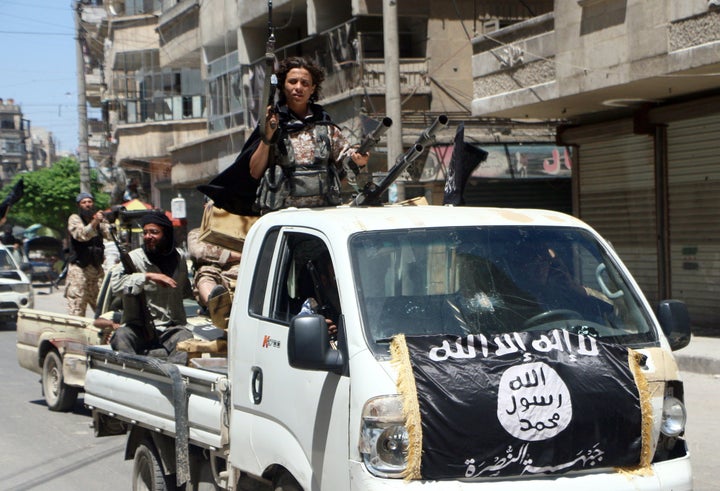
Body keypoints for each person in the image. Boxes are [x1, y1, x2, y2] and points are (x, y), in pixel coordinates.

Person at [109, 210, 193, 364]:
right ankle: (134, 375)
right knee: (121, 336)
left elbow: (186, 291)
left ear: (166, 234)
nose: (148, 236)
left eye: (154, 232)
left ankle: (173, 378)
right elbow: (116, 286)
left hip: (170, 328)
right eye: (145, 232)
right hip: (139, 328)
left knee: (185, 339)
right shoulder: (134, 259)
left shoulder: (179, 259)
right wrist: (148, 277)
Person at [66, 192, 113, 316]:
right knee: (78, 308)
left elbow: (111, 236)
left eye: (90, 201)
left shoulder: (98, 221)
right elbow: (82, 235)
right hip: (79, 270)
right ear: (79, 205)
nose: (87, 204)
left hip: (96, 270)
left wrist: (110, 221)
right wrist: (95, 221)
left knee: (104, 308)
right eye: (84, 202)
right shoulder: (74, 218)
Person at [187, 226, 241, 326]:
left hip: (246, 277)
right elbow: (200, 252)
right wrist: (237, 254)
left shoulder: (247, 231)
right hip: (220, 280)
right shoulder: (199, 233)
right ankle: (216, 305)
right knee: (206, 273)